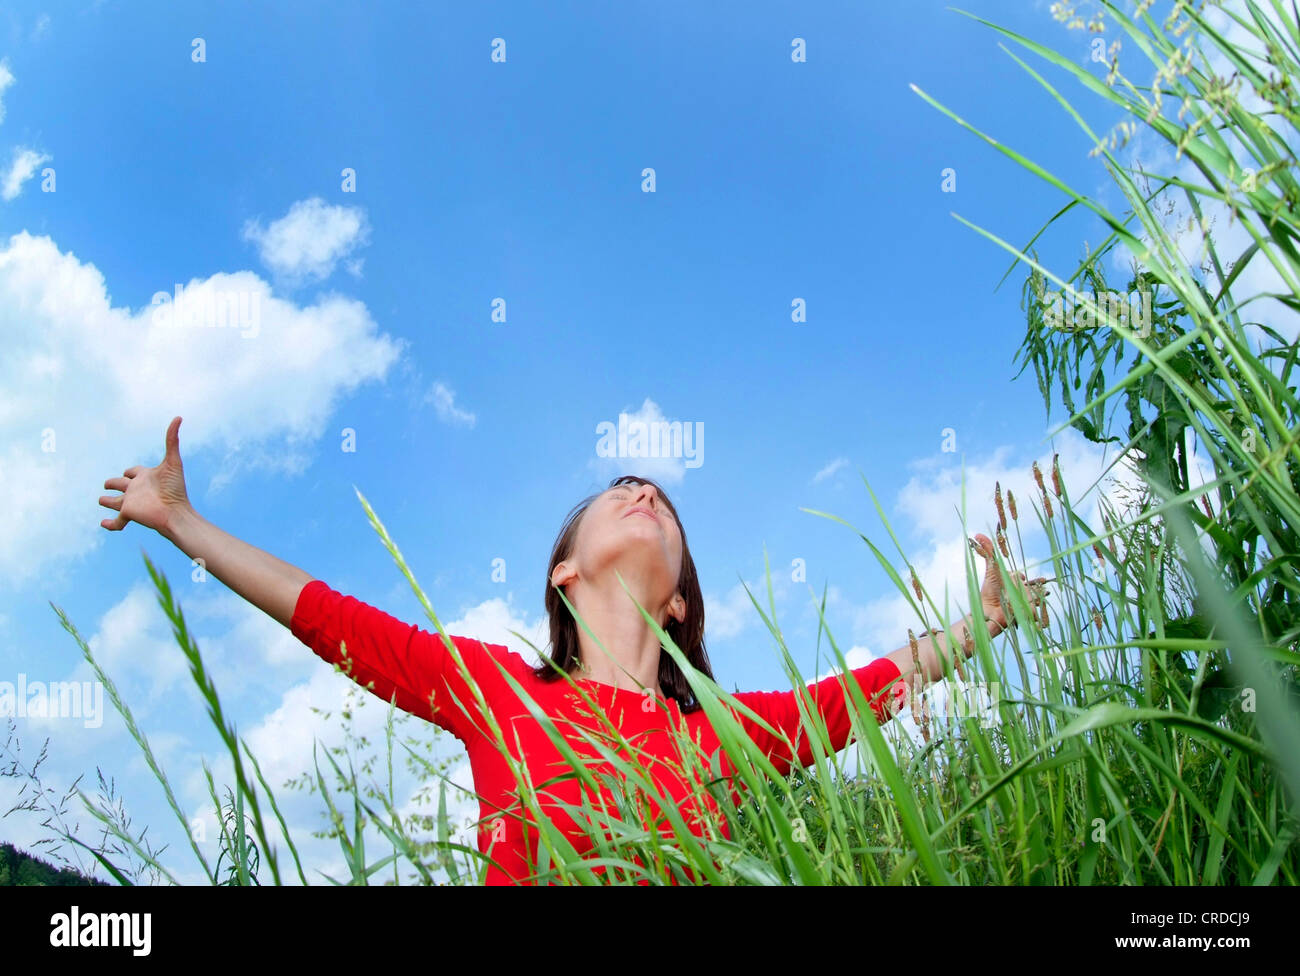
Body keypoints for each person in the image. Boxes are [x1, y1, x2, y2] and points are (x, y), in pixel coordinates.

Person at [99, 416, 1043, 885]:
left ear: (678, 602)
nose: (644, 490)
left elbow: (861, 695)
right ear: (562, 576)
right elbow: (330, 617)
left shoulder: (726, 733)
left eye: (661, 501)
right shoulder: (498, 692)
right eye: (619, 490)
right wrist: (186, 525)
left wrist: (985, 625)